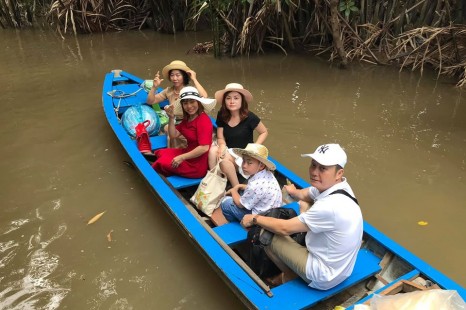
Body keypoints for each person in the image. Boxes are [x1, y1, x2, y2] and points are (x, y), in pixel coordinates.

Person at [241, 144, 363, 290]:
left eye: (323, 168)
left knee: (265, 233)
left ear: (338, 173)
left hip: (323, 275)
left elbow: (283, 228)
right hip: (342, 270)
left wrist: (254, 218)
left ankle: (289, 275)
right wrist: (293, 192)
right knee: (305, 205)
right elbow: (306, 194)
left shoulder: (330, 206)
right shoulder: (339, 187)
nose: (314, 172)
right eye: (313, 165)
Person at [208, 83, 268, 187]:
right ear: (224, 101)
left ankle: (236, 187)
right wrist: (222, 145)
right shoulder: (222, 115)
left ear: (242, 100)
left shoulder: (250, 117)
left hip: (245, 154)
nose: (232, 101)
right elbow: (220, 137)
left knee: (224, 159)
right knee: (213, 150)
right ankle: (214, 178)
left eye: (236, 98)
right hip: (230, 151)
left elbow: (264, 132)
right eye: (228, 98)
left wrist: (254, 148)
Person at [151, 86, 216, 178]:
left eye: (192, 102)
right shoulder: (188, 118)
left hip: (196, 165)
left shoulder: (203, 120)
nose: (189, 106)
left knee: (161, 162)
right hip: (188, 153)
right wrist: (171, 117)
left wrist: (182, 157)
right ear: (182, 105)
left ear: (198, 102)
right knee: (161, 152)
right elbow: (173, 135)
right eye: (185, 103)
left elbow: (204, 148)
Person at [219, 143, 282, 222]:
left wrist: (233, 191)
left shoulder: (254, 185)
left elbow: (240, 204)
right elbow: (259, 190)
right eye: (243, 161)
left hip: (259, 217)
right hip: (271, 210)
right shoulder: (268, 174)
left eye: (249, 163)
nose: (244, 166)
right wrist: (241, 186)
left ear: (261, 166)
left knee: (225, 203)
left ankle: (238, 223)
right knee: (241, 190)